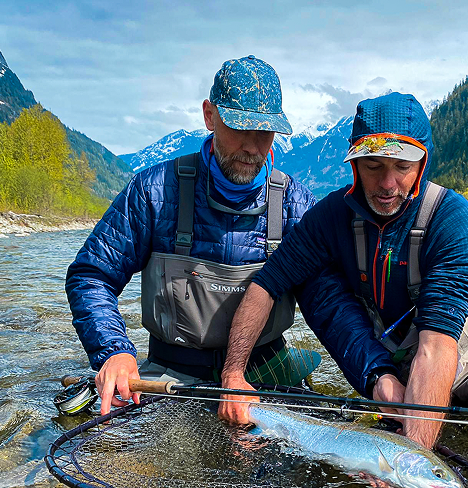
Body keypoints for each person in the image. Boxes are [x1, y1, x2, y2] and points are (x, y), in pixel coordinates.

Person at [219, 92, 468, 458]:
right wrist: (233, 375)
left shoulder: (455, 221)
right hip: (393, 372)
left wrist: (411, 461)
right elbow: (265, 286)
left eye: (402, 167)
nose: (388, 184)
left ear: (422, 164)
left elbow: (436, 346)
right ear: (354, 164)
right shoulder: (329, 218)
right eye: (373, 167)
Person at [66, 56, 316, 415]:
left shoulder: (297, 205)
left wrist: (377, 375)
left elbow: (330, 302)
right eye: (240, 128)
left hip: (266, 372)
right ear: (209, 116)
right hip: (171, 373)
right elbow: (92, 275)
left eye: (264, 133)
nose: (252, 146)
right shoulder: (154, 191)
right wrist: (115, 351)